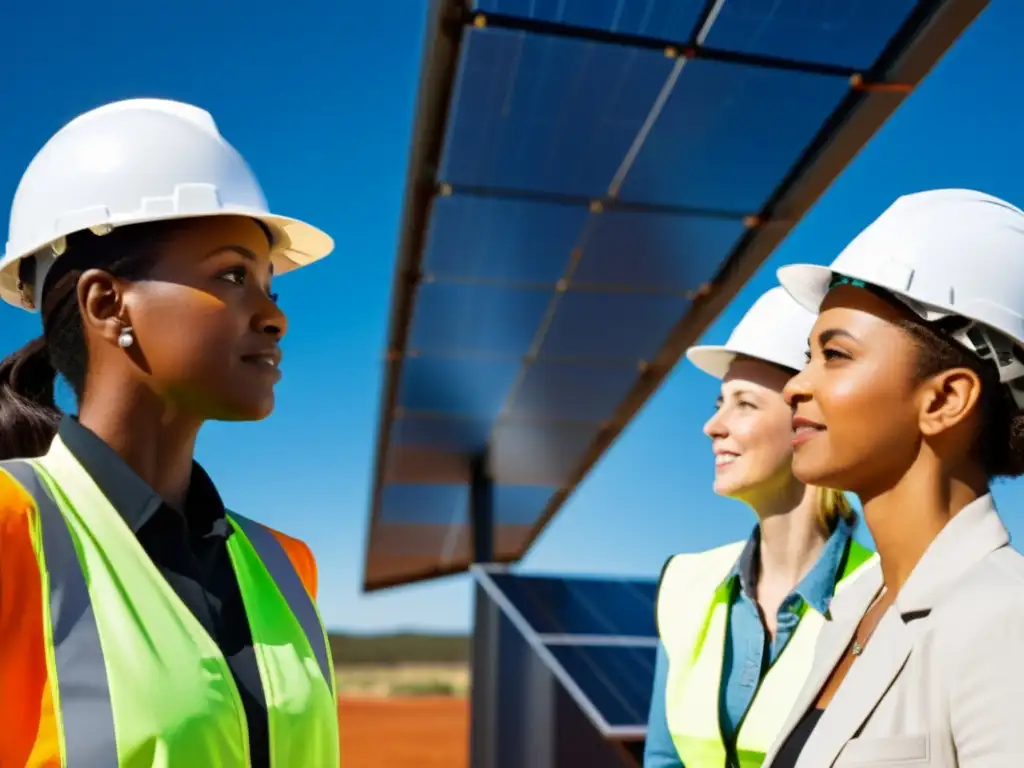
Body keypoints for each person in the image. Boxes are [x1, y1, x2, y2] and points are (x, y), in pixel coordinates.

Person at [0, 99, 340, 767]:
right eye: (234, 275)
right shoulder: (12, 527)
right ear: (108, 303)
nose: (275, 318)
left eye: (273, 287)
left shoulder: (287, 566)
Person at [761, 189, 1024, 768]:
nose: (795, 385)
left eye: (834, 355)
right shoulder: (853, 607)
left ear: (946, 399)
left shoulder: (1009, 619)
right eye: (807, 356)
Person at [644, 286, 876, 768]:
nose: (713, 426)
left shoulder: (882, 597)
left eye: (744, 404)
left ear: (808, 419)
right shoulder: (685, 584)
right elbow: (665, 758)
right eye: (719, 403)